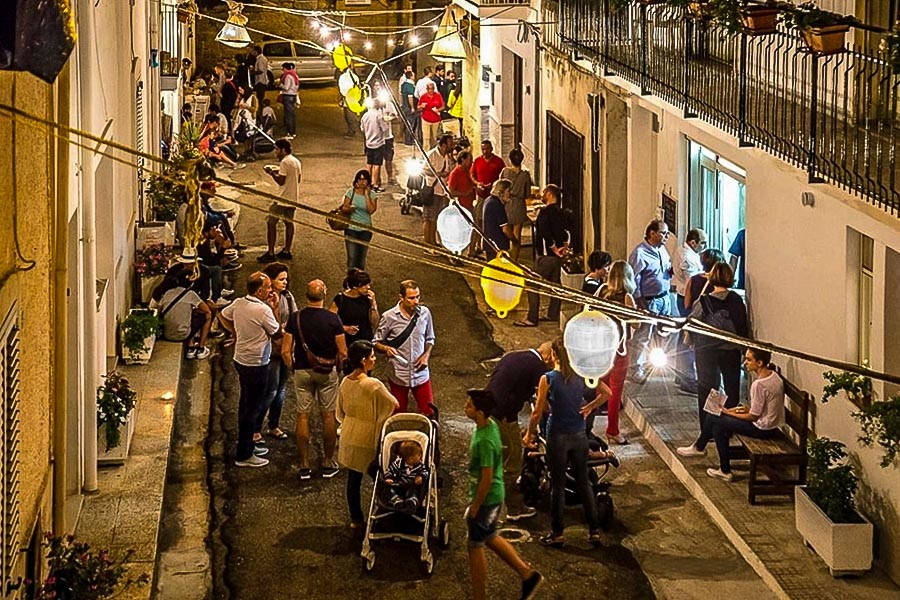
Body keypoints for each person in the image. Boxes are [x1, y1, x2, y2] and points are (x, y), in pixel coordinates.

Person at [524, 338, 608, 548]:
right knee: (584, 483)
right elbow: (608, 393)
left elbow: (537, 412)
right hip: (579, 435)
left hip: (557, 436)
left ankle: (557, 533)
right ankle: (594, 531)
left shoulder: (548, 378)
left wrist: (529, 434)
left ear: (553, 355)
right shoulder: (582, 374)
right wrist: (589, 407)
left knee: (558, 486)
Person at [465, 389, 544, 600]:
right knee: (489, 536)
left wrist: (475, 506)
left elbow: (487, 477)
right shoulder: (488, 426)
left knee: (474, 546)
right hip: (491, 497)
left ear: (480, 412)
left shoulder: (485, 440)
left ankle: (479, 596)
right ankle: (527, 575)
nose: (466, 408)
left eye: (470, 405)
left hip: (487, 499)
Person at [677, 347, 785, 482]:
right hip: (770, 426)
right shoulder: (774, 376)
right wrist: (732, 411)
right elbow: (759, 409)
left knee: (713, 416)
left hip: (762, 429)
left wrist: (728, 413)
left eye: (749, 359)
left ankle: (700, 447)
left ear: (760, 363)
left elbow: (753, 416)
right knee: (718, 427)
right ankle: (724, 470)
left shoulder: (758, 385)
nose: (745, 362)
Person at [282, 279, 347, 481]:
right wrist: (338, 367)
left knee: (303, 416)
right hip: (327, 372)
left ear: (306, 295)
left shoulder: (296, 318)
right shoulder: (333, 319)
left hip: (302, 371)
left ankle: (304, 464)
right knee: (328, 416)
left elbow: (285, 351)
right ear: (324, 294)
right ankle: (327, 462)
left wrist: (294, 367)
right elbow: (343, 352)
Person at [218, 272, 281, 468]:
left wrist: (236, 332)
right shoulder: (263, 310)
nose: (271, 290)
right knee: (252, 408)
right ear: (260, 290)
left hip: (241, 359)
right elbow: (277, 333)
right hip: (256, 364)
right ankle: (244, 454)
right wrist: (274, 307)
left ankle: (247, 445)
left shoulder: (239, 303)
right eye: (269, 287)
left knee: (245, 403)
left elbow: (222, 315)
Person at [485, 341, 554, 520]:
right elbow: (541, 407)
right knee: (513, 463)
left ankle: (502, 501)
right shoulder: (539, 369)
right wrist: (531, 432)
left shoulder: (514, 355)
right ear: (550, 357)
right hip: (501, 416)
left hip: (487, 410)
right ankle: (507, 507)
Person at [337, 340, 399, 534]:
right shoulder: (373, 385)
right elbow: (393, 404)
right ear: (364, 361)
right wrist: (378, 418)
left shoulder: (346, 381)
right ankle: (391, 513)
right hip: (368, 438)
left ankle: (356, 520)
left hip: (349, 435)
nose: (374, 360)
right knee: (381, 477)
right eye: (372, 357)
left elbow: (340, 412)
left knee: (353, 480)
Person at [689, 262, 749, 429]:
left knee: (709, 389)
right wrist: (744, 349)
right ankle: (728, 426)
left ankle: (709, 427)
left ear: (713, 278)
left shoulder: (703, 301)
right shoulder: (737, 300)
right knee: (731, 389)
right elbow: (742, 326)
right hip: (731, 351)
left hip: (706, 352)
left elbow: (692, 325)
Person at [373, 280, 436, 416]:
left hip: (420, 373)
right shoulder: (389, 317)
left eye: (418, 297)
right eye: (411, 298)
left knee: (429, 411)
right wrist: (385, 349)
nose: (416, 301)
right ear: (401, 298)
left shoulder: (425, 313)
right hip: (398, 374)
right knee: (399, 412)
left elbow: (430, 338)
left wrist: (426, 355)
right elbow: (376, 342)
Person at [627, 219, 673, 384]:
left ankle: (657, 364)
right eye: (663, 233)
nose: (666, 236)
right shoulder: (639, 253)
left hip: (665, 297)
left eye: (667, 233)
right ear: (651, 233)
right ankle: (635, 369)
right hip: (649, 300)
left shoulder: (662, 250)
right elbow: (634, 278)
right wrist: (639, 301)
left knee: (663, 333)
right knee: (643, 335)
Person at [516, 184, 569, 328]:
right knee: (555, 285)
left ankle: (532, 318)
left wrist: (553, 248)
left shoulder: (545, 213)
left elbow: (545, 232)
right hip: (557, 257)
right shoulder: (561, 212)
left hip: (546, 256)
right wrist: (564, 247)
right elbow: (566, 232)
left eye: (545, 192)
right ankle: (553, 313)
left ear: (550, 195)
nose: (542, 194)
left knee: (532, 283)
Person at [255, 262, 297, 442]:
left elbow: (294, 317)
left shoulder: (287, 296)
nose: (285, 283)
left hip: (286, 348)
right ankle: (256, 427)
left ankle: (274, 425)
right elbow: (272, 328)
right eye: (281, 279)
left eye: (286, 279)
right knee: (270, 390)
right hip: (270, 351)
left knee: (281, 390)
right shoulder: (263, 301)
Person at [596, 261, 637, 444]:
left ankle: (591, 422)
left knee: (601, 385)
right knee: (615, 391)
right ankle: (612, 429)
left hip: (601, 345)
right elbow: (636, 324)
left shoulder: (602, 290)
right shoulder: (627, 297)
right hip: (620, 348)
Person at [150, 264, 213, 360]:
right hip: (184, 334)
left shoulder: (166, 293)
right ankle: (200, 347)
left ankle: (191, 346)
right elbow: (206, 310)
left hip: (166, 334)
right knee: (206, 315)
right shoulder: (191, 294)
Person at [672, 228, 707, 394]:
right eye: (703, 243)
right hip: (687, 302)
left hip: (683, 298)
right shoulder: (687, 257)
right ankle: (687, 377)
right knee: (688, 339)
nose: (705, 246)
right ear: (693, 243)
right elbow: (691, 285)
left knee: (682, 338)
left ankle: (681, 374)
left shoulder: (681, 250)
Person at [258, 139, 300, 263]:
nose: (275, 152)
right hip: (293, 198)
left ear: (283, 150)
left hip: (282, 198)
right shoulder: (296, 161)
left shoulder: (285, 162)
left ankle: (271, 252)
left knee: (271, 223)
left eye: (277, 149)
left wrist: (271, 173)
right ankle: (287, 250)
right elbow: (297, 179)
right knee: (289, 223)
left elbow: (281, 181)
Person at [498, 148, 535, 263]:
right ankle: (514, 259)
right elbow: (527, 193)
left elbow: (499, 188)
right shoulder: (525, 175)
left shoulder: (505, 172)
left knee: (505, 232)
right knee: (517, 233)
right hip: (519, 205)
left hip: (506, 204)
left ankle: (503, 257)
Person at [330, 268, 379, 350]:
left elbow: (375, 323)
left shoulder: (368, 298)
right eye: (365, 285)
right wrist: (345, 328)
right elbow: (330, 322)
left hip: (365, 343)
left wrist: (373, 304)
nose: (369, 287)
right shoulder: (340, 299)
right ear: (355, 286)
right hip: (347, 343)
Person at [339, 169, 378, 271]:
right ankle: (351, 281)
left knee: (361, 259)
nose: (361, 182)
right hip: (351, 229)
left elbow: (371, 210)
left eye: (364, 180)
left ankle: (360, 282)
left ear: (368, 181)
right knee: (352, 258)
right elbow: (344, 208)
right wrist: (349, 208)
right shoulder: (350, 192)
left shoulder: (372, 195)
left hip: (365, 230)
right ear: (356, 181)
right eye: (359, 179)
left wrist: (366, 195)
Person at [470, 141, 506, 247]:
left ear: (491, 149)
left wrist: (494, 185)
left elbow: (502, 177)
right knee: (478, 222)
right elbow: (472, 175)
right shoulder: (477, 161)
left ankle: (488, 245)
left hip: (493, 197)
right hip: (481, 196)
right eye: (483, 149)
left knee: (492, 223)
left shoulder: (498, 162)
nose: (485, 151)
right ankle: (475, 246)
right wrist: (478, 183)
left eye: (487, 149)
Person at [423, 134, 453, 248]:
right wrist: (438, 174)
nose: (453, 145)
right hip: (432, 190)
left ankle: (433, 241)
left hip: (441, 191)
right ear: (444, 145)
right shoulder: (432, 154)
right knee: (428, 218)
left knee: (436, 218)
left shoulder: (446, 156)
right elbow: (424, 170)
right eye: (451, 143)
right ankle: (427, 244)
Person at [384, 440, 429, 513]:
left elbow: (425, 472)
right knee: (387, 490)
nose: (420, 457)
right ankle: (397, 500)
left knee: (413, 492)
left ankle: (412, 502)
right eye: (419, 455)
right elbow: (389, 470)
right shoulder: (398, 464)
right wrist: (389, 478)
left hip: (412, 485)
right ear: (411, 458)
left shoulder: (420, 466)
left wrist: (421, 476)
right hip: (398, 485)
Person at [361, 103, 391, 191]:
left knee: (369, 163)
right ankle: (375, 184)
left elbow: (362, 129)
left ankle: (367, 183)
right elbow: (385, 128)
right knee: (377, 165)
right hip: (378, 143)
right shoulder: (378, 115)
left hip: (369, 143)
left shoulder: (365, 115)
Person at [482, 179, 513, 261]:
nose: (510, 194)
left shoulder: (488, 200)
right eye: (508, 191)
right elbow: (505, 228)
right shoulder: (497, 205)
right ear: (501, 192)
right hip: (498, 245)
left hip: (490, 243)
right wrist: (514, 239)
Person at [418, 81, 445, 150]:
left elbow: (443, 106)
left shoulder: (438, 95)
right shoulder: (423, 96)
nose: (431, 90)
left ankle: (434, 152)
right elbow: (418, 107)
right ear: (427, 89)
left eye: (432, 88)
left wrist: (438, 110)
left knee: (434, 138)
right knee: (426, 137)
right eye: (429, 89)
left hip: (435, 120)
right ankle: (426, 153)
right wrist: (421, 106)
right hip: (426, 119)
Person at [399, 66, 419, 146]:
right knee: (410, 123)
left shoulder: (403, 85)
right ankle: (409, 140)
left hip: (404, 106)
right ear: (411, 76)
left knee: (407, 123)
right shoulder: (410, 86)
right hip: (408, 107)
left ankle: (408, 139)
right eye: (413, 75)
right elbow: (410, 97)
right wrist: (412, 107)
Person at [280, 62, 299, 138]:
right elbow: (297, 86)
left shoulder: (288, 76)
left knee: (288, 115)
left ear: (285, 68)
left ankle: (290, 132)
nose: (282, 70)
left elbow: (286, 87)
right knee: (292, 114)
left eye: (283, 69)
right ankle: (293, 131)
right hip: (293, 95)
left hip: (288, 96)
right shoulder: (295, 75)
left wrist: (280, 84)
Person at [251, 45, 269, 120]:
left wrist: (253, 72)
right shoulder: (261, 59)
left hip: (260, 81)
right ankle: (261, 113)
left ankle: (261, 113)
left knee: (260, 98)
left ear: (256, 51)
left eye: (253, 51)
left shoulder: (261, 59)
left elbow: (260, 70)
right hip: (261, 80)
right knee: (260, 97)